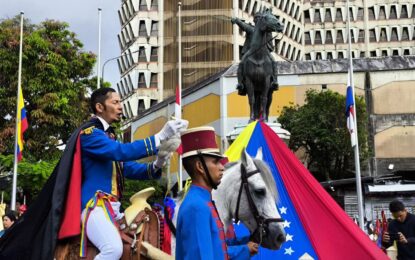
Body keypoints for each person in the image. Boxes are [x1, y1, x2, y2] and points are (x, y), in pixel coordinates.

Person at [0, 87, 188, 260]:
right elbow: (120, 152)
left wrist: (160, 160)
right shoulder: (90, 133)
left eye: (120, 102)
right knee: (113, 249)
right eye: (115, 102)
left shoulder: (109, 138)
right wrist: (159, 137)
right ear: (99, 107)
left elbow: (128, 167)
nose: (120, 106)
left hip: (113, 209)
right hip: (94, 207)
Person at [175, 126, 258, 259]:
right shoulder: (197, 207)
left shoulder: (203, 201)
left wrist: (245, 242)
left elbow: (218, 248)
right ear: (200, 167)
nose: (222, 167)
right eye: (216, 162)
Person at [231, 11, 279, 96]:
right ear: (254, 20)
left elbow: (270, 45)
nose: (257, 19)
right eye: (256, 18)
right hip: (251, 51)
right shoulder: (251, 29)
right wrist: (237, 20)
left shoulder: (267, 31)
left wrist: (266, 47)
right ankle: (240, 84)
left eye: (259, 17)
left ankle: (275, 81)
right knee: (242, 62)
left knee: (273, 61)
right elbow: (243, 25)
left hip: (264, 52)